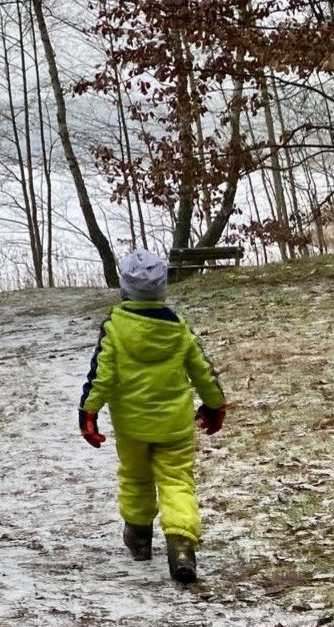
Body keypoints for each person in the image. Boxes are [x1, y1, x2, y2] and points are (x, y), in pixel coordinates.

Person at [76, 249, 228, 583]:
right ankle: (182, 546)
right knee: (176, 480)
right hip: (173, 425)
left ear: (124, 289)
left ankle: (139, 537)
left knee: (135, 478)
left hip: (131, 426)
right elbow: (203, 371)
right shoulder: (178, 328)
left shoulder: (115, 328)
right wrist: (214, 404)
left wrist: (89, 411)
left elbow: (101, 376)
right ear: (163, 289)